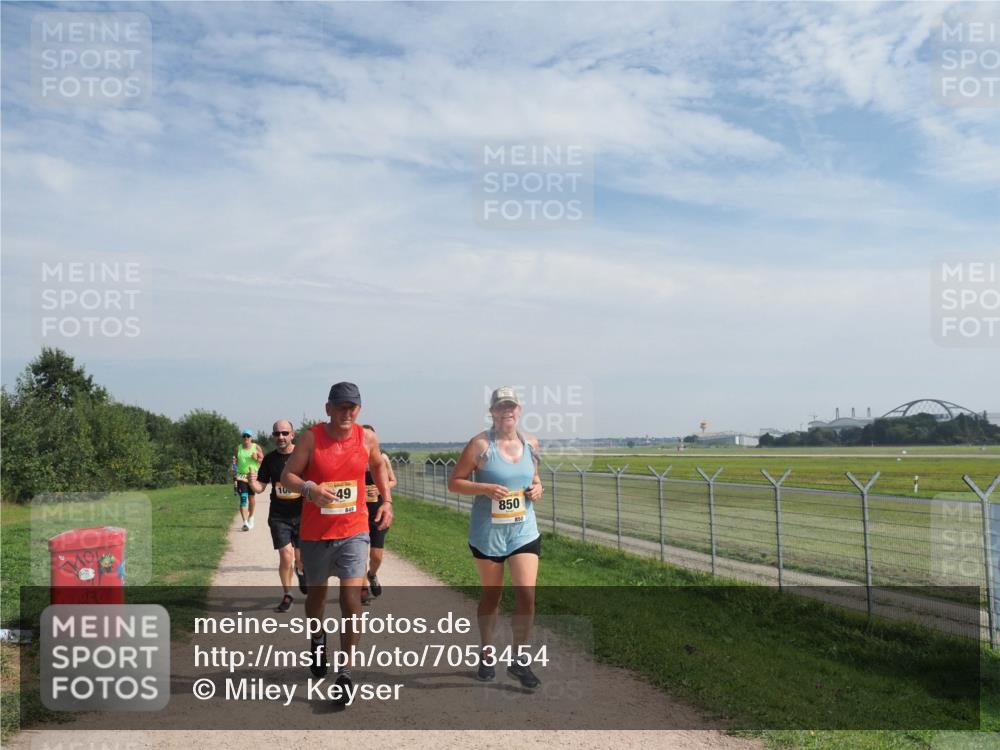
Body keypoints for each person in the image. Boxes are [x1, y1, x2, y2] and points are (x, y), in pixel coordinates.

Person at [280, 382, 394, 707]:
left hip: (354, 531)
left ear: (359, 409)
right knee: (316, 599)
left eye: (352, 407)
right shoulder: (311, 438)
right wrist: (310, 490)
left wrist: (387, 501)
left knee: (350, 599)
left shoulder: (366, 438)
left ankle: (345, 672)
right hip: (316, 534)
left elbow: (377, 465)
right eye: (341, 406)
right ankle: (317, 639)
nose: (347, 412)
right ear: (328, 408)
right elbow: (289, 475)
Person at [447, 386, 544, 689]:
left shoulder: (531, 443)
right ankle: (487, 651)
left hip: (523, 530)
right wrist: (484, 489)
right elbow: (455, 483)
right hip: (488, 533)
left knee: (526, 593)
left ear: (519, 410)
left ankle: (519, 659)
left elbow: (535, 478)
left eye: (511, 406)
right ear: (492, 412)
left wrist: (538, 489)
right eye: (501, 407)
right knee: (493, 595)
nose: (507, 412)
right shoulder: (479, 445)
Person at [246, 420, 307, 613]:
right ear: (273, 436)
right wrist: (252, 482)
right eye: (277, 434)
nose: (280, 437)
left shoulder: (303, 455)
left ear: (292, 434)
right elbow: (261, 487)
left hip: (303, 514)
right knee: (286, 556)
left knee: (300, 558)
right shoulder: (270, 459)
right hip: (279, 516)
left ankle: (300, 570)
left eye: (284, 433)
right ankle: (288, 594)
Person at [360, 424, 397, 604]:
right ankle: (363, 588)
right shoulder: (354, 458)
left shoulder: (382, 458)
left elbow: (392, 481)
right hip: (359, 513)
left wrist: (380, 489)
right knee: (358, 553)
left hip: (378, 511)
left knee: (376, 555)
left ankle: (372, 574)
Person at [233, 429, 264, 531]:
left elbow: (262, 460)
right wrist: (234, 470)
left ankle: (251, 516)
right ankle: (245, 523)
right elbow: (235, 462)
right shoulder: (238, 448)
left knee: (251, 498)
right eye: (244, 436)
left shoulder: (256, 447)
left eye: (248, 436)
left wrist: (256, 458)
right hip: (241, 477)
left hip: (252, 476)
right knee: (243, 498)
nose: (246, 438)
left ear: (251, 438)